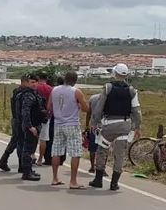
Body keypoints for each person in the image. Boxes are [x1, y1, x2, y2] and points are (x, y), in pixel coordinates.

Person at [89, 63, 142, 191]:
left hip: (108, 124)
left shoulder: (108, 87)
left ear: (114, 73)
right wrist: (137, 127)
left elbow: (99, 107)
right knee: (119, 154)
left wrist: (94, 122)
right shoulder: (132, 90)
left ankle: (98, 180)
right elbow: (136, 111)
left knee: (102, 151)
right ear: (126, 75)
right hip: (125, 125)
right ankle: (114, 183)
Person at [48, 71, 89, 189]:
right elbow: (86, 108)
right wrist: (79, 106)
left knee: (56, 151)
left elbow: (49, 107)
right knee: (75, 153)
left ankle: (55, 178)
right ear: (75, 80)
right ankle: (73, 181)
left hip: (58, 124)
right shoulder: (76, 91)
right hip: (71, 124)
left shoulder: (54, 90)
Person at [17, 74, 48, 181]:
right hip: (31, 126)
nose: (34, 84)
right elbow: (25, 112)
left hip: (35, 124)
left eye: (35, 82)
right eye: (32, 82)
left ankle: (28, 170)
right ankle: (26, 172)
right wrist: (30, 126)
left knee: (31, 149)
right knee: (28, 149)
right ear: (28, 83)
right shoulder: (28, 95)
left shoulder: (33, 94)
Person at [0, 76, 26, 172]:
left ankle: (4, 160)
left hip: (15, 119)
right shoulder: (20, 93)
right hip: (18, 120)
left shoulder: (16, 91)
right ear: (24, 82)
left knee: (15, 141)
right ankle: (20, 165)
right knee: (19, 142)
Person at [35, 75, 54, 166]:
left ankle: (32, 156)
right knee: (43, 139)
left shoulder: (35, 86)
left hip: (35, 115)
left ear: (38, 79)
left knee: (33, 137)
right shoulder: (50, 89)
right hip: (46, 116)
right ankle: (40, 159)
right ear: (46, 79)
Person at [84, 93, 103, 174]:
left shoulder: (93, 98)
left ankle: (92, 167)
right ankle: (102, 168)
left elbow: (88, 113)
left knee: (92, 148)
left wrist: (87, 125)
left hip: (93, 127)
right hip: (104, 127)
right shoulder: (109, 99)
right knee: (103, 148)